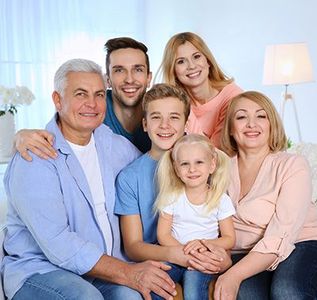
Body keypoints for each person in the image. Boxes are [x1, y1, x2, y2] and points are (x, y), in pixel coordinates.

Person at [1, 59, 177, 300]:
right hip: (42, 271)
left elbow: (155, 167)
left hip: (103, 270)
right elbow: (59, 244)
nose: (92, 104)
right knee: (86, 297)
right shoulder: (35, 157)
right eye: (80, 94)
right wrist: (128, 272)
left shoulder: (116, 146)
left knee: (132, 298)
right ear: (57, 100)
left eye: (98, 94)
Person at [115, 84, 232, 299]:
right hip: (162, 257)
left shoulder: (205, 166)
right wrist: (180, 255)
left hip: (205, 254)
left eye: (174, 117)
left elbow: (224, 230)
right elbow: (133, 246)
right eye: (156, 117)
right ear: (145, 124)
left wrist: (220, 257)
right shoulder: (130, 177)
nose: (165, 125)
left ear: (186, 123)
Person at [214, 91, 317, 300]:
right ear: (231, 129)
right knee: (247, 295)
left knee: (287, 292)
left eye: (261, 116)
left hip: (300, 242)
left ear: (272, 125)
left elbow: (281, 234)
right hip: (245, 253)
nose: (252, 124)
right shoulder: (218, 169)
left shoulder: (292, 165)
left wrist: (232, 275)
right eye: (242, 117)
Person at [14, 37, 152, 160]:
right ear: (108, 80)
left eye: (138, 69)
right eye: (119, 70)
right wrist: (20, 137)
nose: (129, 79)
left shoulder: (159, 109)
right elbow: (59, 131)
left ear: (149, 77)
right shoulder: (94, 108)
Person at [154, 134, 236, 300]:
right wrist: (184, 253)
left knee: (193, 289)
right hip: (176, 255)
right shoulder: (171, 197)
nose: (192, 169)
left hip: (204, 259)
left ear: (212, 164)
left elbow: (229, 238)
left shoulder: (220, 199)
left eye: (199, 162)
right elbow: (163, 235)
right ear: (176, 169)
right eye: (185, 164)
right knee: (157, 286)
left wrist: (203, 246)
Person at [156, 32, 243, 148]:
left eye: (196, 57)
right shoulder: (175, 103)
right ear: (173, 71)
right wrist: (181, 104)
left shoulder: (232, 96)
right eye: (181, 61)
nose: (191, 66)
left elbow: (212, 151)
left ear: (208, 61)